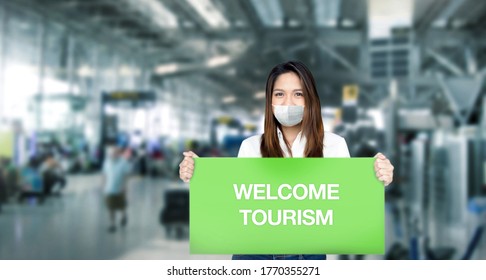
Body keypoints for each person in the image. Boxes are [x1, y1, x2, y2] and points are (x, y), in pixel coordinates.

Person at [178, 60, 394, 260]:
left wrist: (376, 177)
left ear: (310, 99)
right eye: (279, 94)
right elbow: (235, 203)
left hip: (308, 256)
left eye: (298, 94)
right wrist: (199, 174)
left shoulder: (334, 146)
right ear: (269, 100)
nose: (288, 102)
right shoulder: (251, 147)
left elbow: (348, 202)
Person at [101, 146, 132, 233]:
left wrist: (125, 186)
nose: (113, 154)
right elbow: (104, 174)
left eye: (115, 152)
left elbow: (126, 175)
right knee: (111, 208)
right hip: (109, 189)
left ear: (119, 153)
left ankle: (123, 216)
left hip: (120, 189)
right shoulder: (106, 162)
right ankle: (112, 224)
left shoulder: (124, 162)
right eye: (112, 153)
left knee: (122, 206)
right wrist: (103, 186)